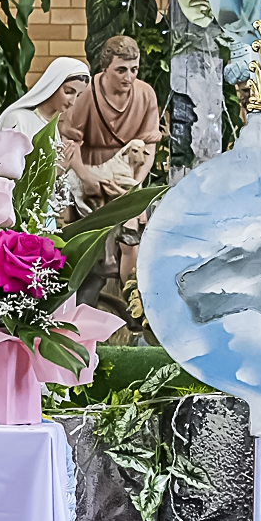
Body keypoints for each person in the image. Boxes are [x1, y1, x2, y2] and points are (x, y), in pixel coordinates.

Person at [64, 36, 160, 323]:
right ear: (105, 68)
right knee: (90, 244)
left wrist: (136, 184)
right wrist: (87, 177)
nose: (129, 77)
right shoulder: (87, 95)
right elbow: (70, 143)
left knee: (130, 240)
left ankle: (132, 307)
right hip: (91, 175)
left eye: (134, 69)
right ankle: (84, 310)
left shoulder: (145, 95)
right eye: (121, 70)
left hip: (128, 179)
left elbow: (149, 146)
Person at [0, 56, 89, 220]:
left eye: (78, 95)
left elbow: (51, 192)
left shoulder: (52, 128)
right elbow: (5, 175)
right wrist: (54, 170)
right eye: (68, 92)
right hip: (15, 215)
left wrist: (61, 170)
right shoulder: (18, 119)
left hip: (41, 218)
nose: (73, 102)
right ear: (53, 84)